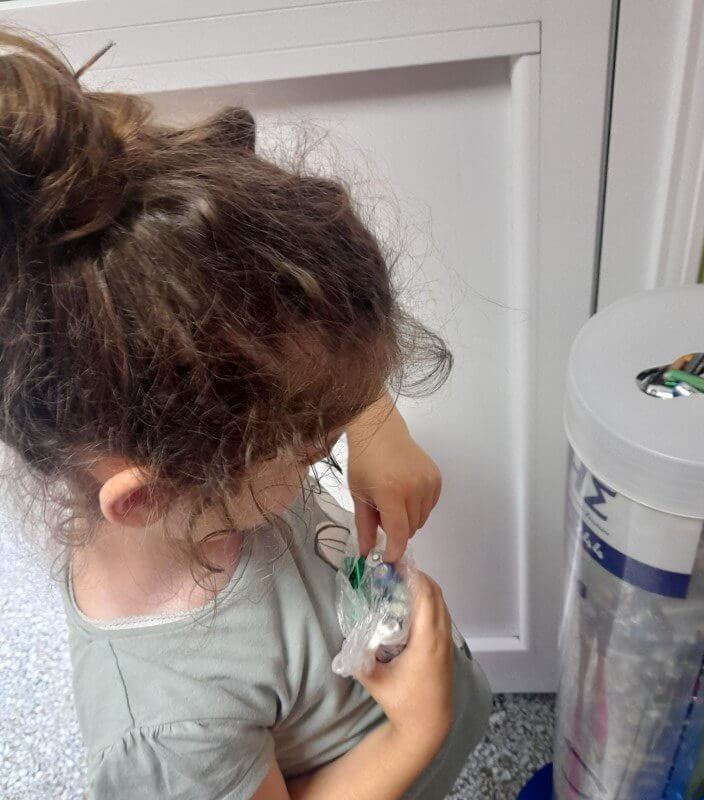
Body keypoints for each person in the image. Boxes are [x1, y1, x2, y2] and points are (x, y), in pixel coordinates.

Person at [0, 30, 491, 800]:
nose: (327, 442)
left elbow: (289, 363)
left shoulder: (203, 460)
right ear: (153, 492)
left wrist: (376, 426)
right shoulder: (169, 726)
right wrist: (417, 732)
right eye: (308, 443)